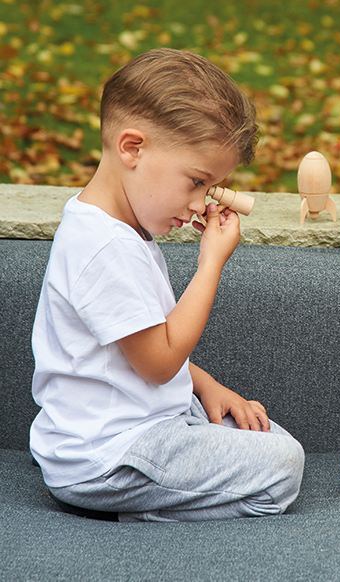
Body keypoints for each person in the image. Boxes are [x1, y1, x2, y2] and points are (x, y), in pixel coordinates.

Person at [30, 48, 304, 522]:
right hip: (106, 456)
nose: (202, 204)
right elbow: (158, 362)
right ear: (133, 148)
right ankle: (136, 514)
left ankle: (158, 491)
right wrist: (211, 263)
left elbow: (137, 343)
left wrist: (208, 386)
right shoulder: (102, 248)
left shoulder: (121, 229)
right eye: (197, 182)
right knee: (284, 466)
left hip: (139, 428)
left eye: (211, 188)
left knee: (265, 438)